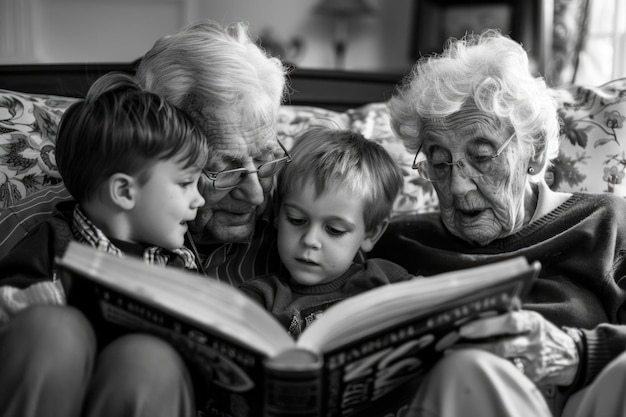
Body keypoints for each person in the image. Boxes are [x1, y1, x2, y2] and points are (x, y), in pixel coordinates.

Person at [0, 19, 288, 417]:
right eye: (224, 170)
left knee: (147, 361)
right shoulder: (42, 223)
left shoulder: (297, 222)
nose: (255, 194)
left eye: (266, 159)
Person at [369, 30, 626, 417]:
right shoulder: (397, 243)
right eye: (439, 162)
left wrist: (578, 353)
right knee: (464, 372)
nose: (456, 185)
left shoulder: (606, 221)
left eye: (483, 156)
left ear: (534, 154)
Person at [239, 126, 412, 337]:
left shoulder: (385, 278)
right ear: (277, 212)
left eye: (334, 230)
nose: (310, 240)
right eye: (296, 220)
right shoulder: (262, 297)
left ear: (371, 234)